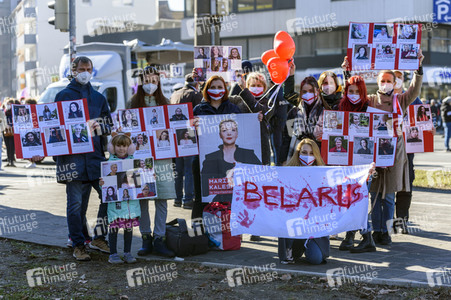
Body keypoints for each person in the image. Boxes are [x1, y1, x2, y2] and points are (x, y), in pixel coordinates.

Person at [50, 56, 112, 261]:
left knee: (110, 196)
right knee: (75, 205)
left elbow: (108, 125)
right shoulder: (62, 96)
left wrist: (100, 127)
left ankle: (99, 237)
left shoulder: (99, 98)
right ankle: (78, 245)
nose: (85, 72)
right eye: (82, 68)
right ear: (74, 71)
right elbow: (52, 128)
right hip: (72, 161)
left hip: (95, 158)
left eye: (89, 68)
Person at [191, 74, 262, 220]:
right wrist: (191, 126)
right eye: (213, 87)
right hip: (202, 160)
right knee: (201, 198)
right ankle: (199, 235)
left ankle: (231, 234)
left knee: (231, 199)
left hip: (231, 166)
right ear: (207, 90)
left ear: (225, 89)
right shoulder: (198, 110)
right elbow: (188, 137)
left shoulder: (233, 108)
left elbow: (245, 126)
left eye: (219, 87)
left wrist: (256, 119)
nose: (216, 90)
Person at [127, 66, 176, 257]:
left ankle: (160, 238)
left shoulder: (166, 103)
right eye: (147, 81)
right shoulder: (133, 103)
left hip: (163, 158)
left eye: (154, 81)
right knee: (143, 199)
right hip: (141, 158)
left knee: (162, 198)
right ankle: (146, 238)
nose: (151, 85)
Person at [279, 138, 329, 264]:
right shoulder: (287, 172)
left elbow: (343, 185)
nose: (308, 156)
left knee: (316, 259)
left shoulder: (324, 173)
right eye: (304, 152)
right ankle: (290, 249)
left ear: (316, 155)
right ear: (298, 153)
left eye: (311, 153)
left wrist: (366, 173)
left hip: (314, 226)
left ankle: (309, 245)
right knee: (293, 256)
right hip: (293, 225)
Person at [100, 132, 139, 264]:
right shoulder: (108, 164)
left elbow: (140, 181)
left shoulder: (135, 162)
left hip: (131, 204)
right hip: (115, 205)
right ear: (112, 147)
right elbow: (105, 190)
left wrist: (150, 178)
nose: (121, 149)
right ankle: (113, 254)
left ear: (130, 147)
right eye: (118, 146)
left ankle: (127, 253)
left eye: (124, 146)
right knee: (114, 228)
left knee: (129, 228)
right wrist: (102, 184)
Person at [201, 119, 262, 203]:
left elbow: (262, 178)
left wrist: (245, 169)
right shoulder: (211, 158)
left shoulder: (248, 154)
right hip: (221, 204)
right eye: (224, 130)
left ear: (237, 134)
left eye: (233, 130)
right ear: (220, 135)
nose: (229, 133)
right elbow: (204, 189)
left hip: (247, 202)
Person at [282, 63, 326, 162]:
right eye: (304, 91)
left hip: (318, 156)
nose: (308, 94)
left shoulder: (325, 109)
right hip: (298, 155)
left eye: (311, 91)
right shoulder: (296, 109)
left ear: (318, 91)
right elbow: (287, 137)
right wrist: (291, 75)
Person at [3, 100, 16, 167]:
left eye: (9, 104)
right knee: (7, 146)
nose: (8, 105)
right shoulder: (5, 112)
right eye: (7, 104)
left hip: (12, 131)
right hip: (5, 130)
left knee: (12, 146)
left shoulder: (14, 112)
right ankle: (8, 160)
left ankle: (12, 160)